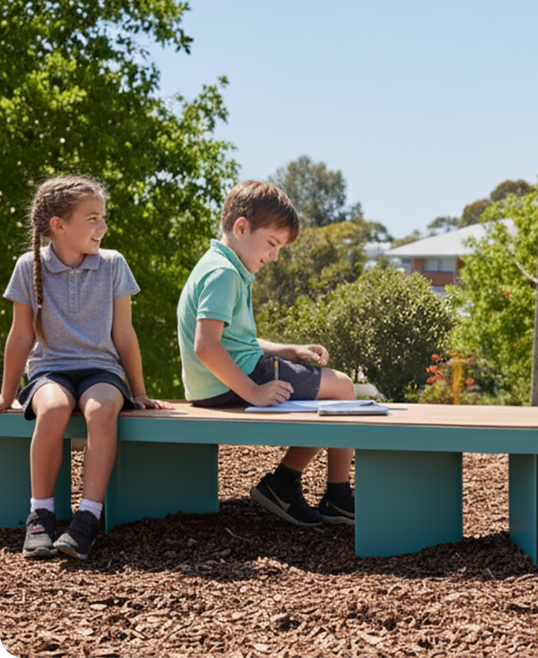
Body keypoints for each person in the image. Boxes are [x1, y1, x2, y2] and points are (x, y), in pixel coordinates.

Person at [1, 176, 170, 560]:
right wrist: (6, 394)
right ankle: (40, 514)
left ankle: (88, 517)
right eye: (92, 218)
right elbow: (20, 338)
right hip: (50, 371)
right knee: (56, 409)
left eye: (103, 217)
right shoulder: (29, 267)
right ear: (58, 225)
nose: (103, 227)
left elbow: (124, 335)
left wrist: (139, 391)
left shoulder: (113, 264)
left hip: (101, 370)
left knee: (100, 410)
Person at [177, 180, 357, 527]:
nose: (274, 256)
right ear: (241, 227)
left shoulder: (222, 265)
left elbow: (235, 340)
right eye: (272, 243)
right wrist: (254, 393)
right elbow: (206, 346)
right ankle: (334, 496)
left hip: (217, 384)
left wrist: (288, 350)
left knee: (327, 395)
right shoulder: (224, 273)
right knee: (343, 388)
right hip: (236, 382)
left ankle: (285, 486)